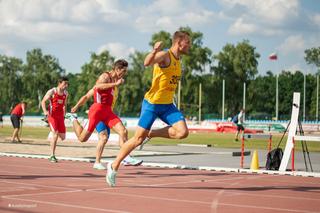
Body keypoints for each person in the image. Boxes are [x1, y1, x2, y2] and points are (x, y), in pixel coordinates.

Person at [106, 30, 191, 187]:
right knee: (137, 139)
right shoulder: (165, 56)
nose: (190, 46)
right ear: (179, 43)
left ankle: (151, 133)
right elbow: (146, 62)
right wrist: (154, 51)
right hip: (152, 104)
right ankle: (113, 165)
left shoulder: (178, 61)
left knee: (183, 132)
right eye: (188, 43)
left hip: (167, 106)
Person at [66, 60, 142, 168]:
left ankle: (126, 157)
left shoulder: (114, 85)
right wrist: (77, 106)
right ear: (117, 69)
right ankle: (73, 119)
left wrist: (115, 84)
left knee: (123, 131)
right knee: (82, 139)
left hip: (108, 112)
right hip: (97, 111)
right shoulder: (105, 76)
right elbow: (97, 87)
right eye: (123, 71)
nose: (124, 74)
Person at [41, 77, 69, 163]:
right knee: (55, 135)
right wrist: (45, 111)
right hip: (52, 116)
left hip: (60, 117)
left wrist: (65, 114)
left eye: (67, 84)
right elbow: (43, 102)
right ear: (59, 83)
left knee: (63, 137)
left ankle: (53, 134)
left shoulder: (66, 93)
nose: (66, 86)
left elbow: (64, 104)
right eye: (65, 84)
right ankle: (52, 155)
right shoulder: (52, 91)